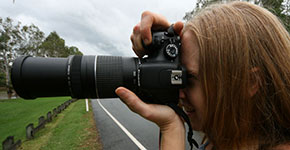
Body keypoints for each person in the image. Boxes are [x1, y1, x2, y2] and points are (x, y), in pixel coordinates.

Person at [115, 1, 290, 150]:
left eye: (189, 78)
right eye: (178, 73)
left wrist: (171, 132)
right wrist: (163, 46)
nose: (179, 90)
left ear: (249, 82)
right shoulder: (225, 139)